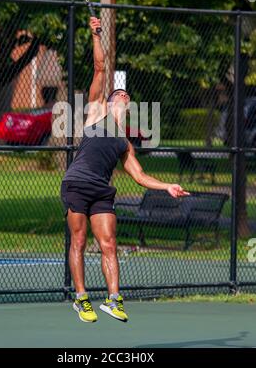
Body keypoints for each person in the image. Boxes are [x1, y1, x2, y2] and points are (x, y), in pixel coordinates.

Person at [61, 17, 189, 323]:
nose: (124, 95)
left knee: (108, 243)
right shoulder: (95, 112)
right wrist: (95, 35)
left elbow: (140, 175)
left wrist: (167, 186)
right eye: (119, 94)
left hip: (102, 191)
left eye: (127, 96)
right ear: (108, 101)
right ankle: (81, 298)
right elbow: (101, 67)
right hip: (77, 183)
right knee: (78, 241)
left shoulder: (124, 142)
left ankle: (114, 299)